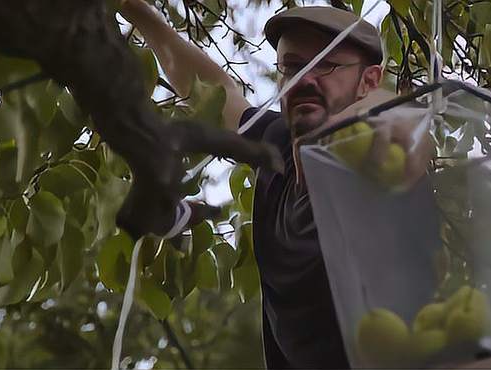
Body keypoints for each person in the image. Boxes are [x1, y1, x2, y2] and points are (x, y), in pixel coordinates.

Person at [119, 2, 420, 368]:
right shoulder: (276, 145)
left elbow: (396, 135)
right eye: (292, 66)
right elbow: (210, 91)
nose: (306, 78)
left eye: (325, 64)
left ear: (369, 81)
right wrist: (136, 11)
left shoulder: (377, 174)